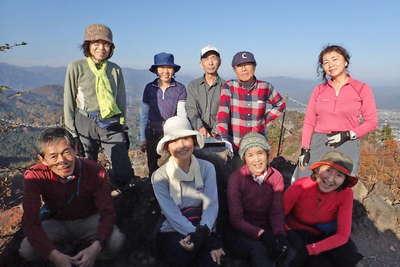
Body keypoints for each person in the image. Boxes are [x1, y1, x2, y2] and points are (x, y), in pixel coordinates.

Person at [19, 127, 124, 267]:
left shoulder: (94, 171)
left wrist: (95, 248)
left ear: (75, 149)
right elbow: (30, 220)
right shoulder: (35, 176)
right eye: (53, 156)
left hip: (88, 219)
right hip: (57, 222)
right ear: (42, 160)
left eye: (66, 152)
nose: (62, 161)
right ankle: (65, 256)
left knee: (116, 240)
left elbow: (107, 212)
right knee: (27, 250)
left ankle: (88, 258)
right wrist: (54, 255)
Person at [64, 24, 133, 188]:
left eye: (106, 44)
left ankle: (110, 184)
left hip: (111, 121)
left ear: (111, 48)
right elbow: (69, 100)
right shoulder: (76, 67)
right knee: (85, 168)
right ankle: (91, 197)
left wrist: (122, 126)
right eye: (97, 43)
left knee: (123, 172)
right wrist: (71, 133)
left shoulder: (115, 70)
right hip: (84, 121)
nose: (101, 48)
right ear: (88, 45)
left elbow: (120, 100)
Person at [294, 45, 377, 179]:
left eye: (334, 59)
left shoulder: (361, 88)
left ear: (346, 62)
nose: (330, 65)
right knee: (306, 181)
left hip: (347, 143)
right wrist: (305, 149)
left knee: (340, 186)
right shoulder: (319, 90)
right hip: (319, 142)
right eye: (325, 62)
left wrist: (349, 134)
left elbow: (371, 122)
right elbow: (309, 121)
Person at [151, 116, 225, 266]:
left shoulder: (207, 168)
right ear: (167, 147)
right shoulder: (159, 176)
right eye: (175, 141)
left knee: (210, 262)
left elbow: (211, 205)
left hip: (204, 227)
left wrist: (202, 235)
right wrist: (198, 236)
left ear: (194, 140)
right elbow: (171, 214)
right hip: (174, 229)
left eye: (186, 139)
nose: (182, 145)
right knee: (182, 256)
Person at [283, 151, 363, 267]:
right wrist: (288, 232)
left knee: (347, 255)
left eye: (339, 175)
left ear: (344, 180)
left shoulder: (346, 194)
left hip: (322, 233)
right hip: (295, 230)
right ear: (318, 170)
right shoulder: (301, 186)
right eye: (328, 170)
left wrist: (312, 249)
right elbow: (278, 215)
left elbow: (342, 235)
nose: (330, 179)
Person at [226, 132, 288, 267]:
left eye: (260, 153)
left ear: (267, 154)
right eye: (250, 155)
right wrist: (261, 234)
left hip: (267, 229)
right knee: (260, 252)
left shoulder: (276, 177)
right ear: (244, 158)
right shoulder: (236, 179)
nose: (257, 160)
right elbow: (236, 219)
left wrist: (279, 234)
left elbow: (276, 211)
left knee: (287, 251)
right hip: (242, 231)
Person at [216, 51, 286, 170]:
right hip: (236, 144)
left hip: (258, 145)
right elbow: (223, 113)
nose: (244, 69)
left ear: (254, 66)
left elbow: (280, 104)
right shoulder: (229, 86)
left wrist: (264, 121)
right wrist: (224, 137)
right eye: (239, 66)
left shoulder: (265, 87)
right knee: (238, 178)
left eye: (247, 64)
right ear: (234, 69)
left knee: (258, 177)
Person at [140, 52, 187, 178]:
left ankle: (172, 193)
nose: (165, 71)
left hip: (171, 134)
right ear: (156, 70)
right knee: (153, 165)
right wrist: (142, 137)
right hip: (152, 132)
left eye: (169, 68)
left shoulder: (180, 89)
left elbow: (182, 114)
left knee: (171, 166)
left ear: (173, 70)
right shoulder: (149, 88)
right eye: (161, 68)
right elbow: (144, 114)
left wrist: (181, 136)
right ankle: (153, 193)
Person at [186, 45, 225, 137]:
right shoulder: (193, 85)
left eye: (214, 58)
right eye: (206, 59)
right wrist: (200, 127)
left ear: (220, 62)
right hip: (197, 133)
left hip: (219, 135)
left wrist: (215, 131)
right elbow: (191, 109)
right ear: (201, 63)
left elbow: (225, 112)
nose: (210, 62)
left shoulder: (226, 86)